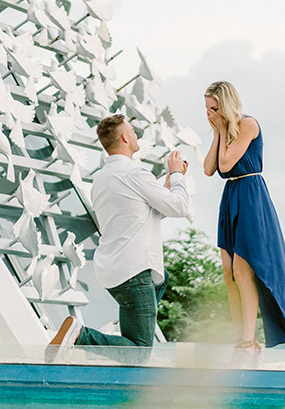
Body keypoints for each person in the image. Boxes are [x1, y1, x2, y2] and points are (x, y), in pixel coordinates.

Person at [45, 114, 189, 363]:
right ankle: (80, 335)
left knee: (160, 277)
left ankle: (121, 343)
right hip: (135, 271)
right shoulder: (135, 173)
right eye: (132, 131)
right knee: (139, 352)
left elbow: (143, 207)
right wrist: (177, 176)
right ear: (124, 137)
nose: (136, 135)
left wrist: (165, 184)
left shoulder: (101, 179)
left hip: (114, 272)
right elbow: (178, 207)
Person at [202, 81, 285, 349]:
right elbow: (209, 169)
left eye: (215, 108)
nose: (210, 113)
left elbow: (225, 163)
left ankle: (247, 340)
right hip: (231, 196)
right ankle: (241, 336)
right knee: (228, 272)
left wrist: (222, 130)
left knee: (243, 271)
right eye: (207, 108)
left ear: (226, 104)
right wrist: (218, 133)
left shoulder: (248, 124)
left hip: (251, 195)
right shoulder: (222, 131)